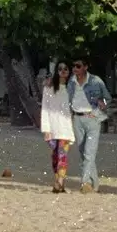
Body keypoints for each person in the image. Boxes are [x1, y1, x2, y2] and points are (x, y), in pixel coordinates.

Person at [68, 58, 111, 193]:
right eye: (73, 66)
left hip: (92, 119)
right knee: (83, 153)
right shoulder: (72, 81)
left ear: (85, 67)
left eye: (78, 66)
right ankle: (95, 183)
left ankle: (85, 182)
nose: (75, 68)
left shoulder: (96, 81)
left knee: (89, 153)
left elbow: (107, 98)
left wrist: (100, 108)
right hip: (77, 118)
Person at [39, 64, 75, 193]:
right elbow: (45, 108)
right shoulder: (49, 87)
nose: (63, 71)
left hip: (66, 128)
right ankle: (60, 182)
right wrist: (46, 129)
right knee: (55, 156)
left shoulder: (73, 88)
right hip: (52, 127)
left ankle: (59, 182)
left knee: (62, 155)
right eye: (60, 69)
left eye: (66, 69)